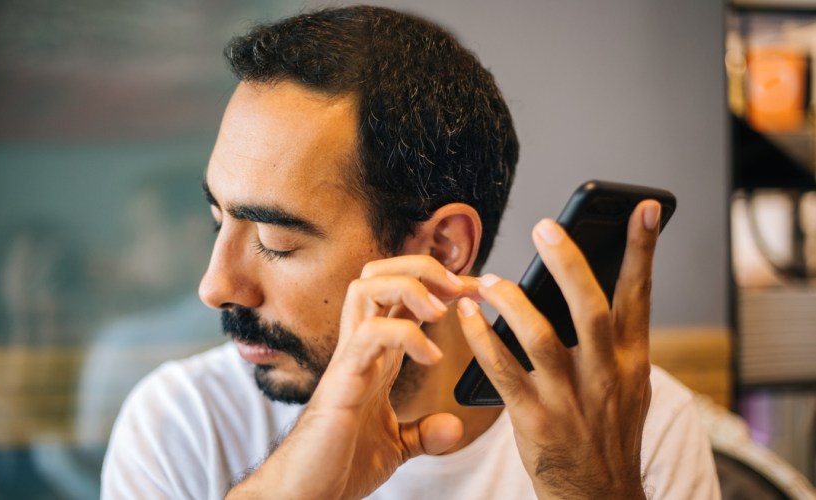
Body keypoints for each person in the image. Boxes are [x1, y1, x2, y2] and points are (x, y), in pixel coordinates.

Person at [102, 6, 720, 499]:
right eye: (219, 222)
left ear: (443, 249)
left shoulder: (634, 428)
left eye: (276, 241)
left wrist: (593, 490)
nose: (215, 286)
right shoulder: (184, 421)